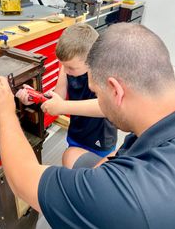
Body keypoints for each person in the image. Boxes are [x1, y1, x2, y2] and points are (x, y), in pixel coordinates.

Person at [0, 22, 175, 229]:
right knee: (71, 154)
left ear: (116, 91)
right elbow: (123, 154)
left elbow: (22, 180)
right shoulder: (152, 129)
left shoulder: (123, 195)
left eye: (98, 94)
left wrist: (4, 112)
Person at [16, 23, 117, 166]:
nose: (66, 70)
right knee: (72, 165)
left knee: (96, 176)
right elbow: (59, 95)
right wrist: (36, 98)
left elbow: (105, 108)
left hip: (100, 138)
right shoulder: (67, 67)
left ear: (92, 59)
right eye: (63, 65)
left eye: (71, 68)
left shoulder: (105, 72)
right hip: (76, 132)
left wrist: (63, 107)